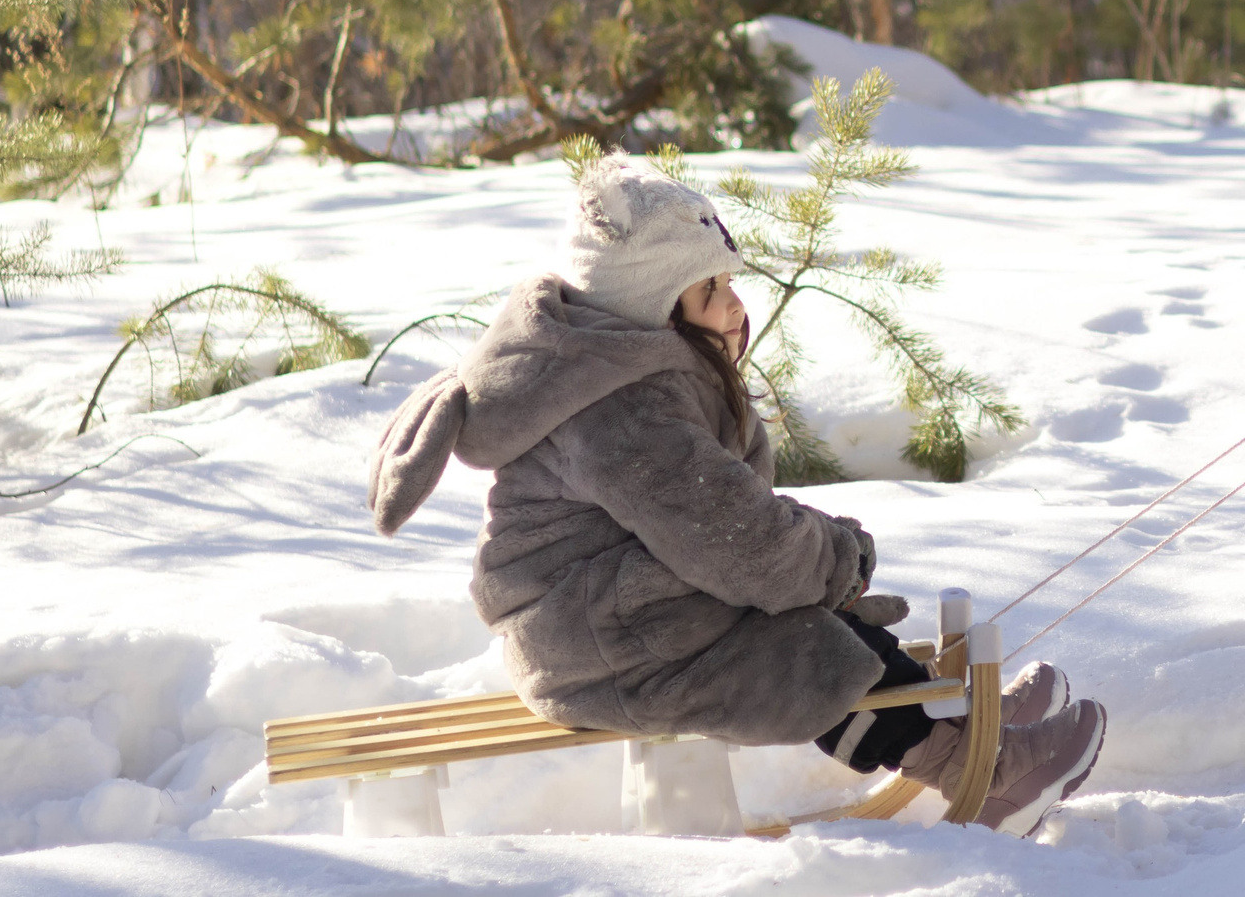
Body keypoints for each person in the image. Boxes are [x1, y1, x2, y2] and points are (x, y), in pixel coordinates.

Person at [369, 153, 1106, 834]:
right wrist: (835, 559)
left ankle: (963, 729)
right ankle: (977, 771)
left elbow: (730, 515)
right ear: (654, 303)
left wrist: (821, 568)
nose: (732, 301)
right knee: (797, 645)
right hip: (595, 641)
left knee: (808, 612)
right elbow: (738, 537)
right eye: (710, 288)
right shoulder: (622, 410)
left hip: (612, 612)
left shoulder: (618, 363)